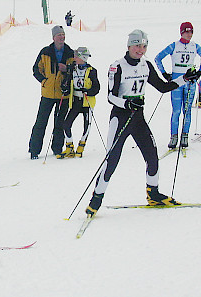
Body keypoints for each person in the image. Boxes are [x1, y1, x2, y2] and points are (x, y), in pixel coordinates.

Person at [85, 29, 201, 217]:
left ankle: (153, 194)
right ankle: (95, 200)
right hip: (120, 118)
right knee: (112, 160)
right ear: (129, 46)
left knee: (152, 156)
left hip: (138, 119)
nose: (141, 49)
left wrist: (185, 79)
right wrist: (127, 103)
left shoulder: (146, 65)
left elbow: (163, 87)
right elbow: (110, 97)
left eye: (144, 46)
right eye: (137, 45)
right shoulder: (118, 66)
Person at [29, 25, 74, 159]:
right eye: (59, 35)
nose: (62, 37)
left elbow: (75, 70)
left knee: (59, 123)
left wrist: (66, 69)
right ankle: (34, 150)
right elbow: (36, 69)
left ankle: (57, 148)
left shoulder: (70, 52)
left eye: (63, 35)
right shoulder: (45, 52)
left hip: (63, 94)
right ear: (53, 37)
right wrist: (44, 81)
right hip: (47, 94)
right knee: (41, 122)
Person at [154, 22, 201, 149]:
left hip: (190, 82)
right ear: (181, 32)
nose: (189, 34)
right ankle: (173, 136)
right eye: (186, 32)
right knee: (176, 111)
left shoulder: (195, 46)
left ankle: (184, 136)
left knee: (187, 110)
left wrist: (198, 73)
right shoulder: (174, 45)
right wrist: (165, 74)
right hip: (176, 82)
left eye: (191, 32)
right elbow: (158, 58)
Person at [58, 47, 100, 159]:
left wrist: (88, 91)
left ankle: (81, 146)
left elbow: (97, 88)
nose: (74, 58)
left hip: (87, 102)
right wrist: (65, 88)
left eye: (77, 56)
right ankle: (69, 147)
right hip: (75, 101)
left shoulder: (92, 71)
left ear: (83, 57)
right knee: (66, 124)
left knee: (86, 125)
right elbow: (67, 81)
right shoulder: (72, 69)